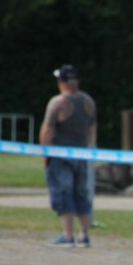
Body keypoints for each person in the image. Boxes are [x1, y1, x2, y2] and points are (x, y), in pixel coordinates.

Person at [40, 65, 97, 248]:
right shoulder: (88, 101)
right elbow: (91, 129)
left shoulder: (57, 102)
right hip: (81, 153)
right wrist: (85, 148)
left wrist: (45, 153)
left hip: (60, 155)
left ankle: (67, 234)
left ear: (61, 82)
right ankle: (84, 234)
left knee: (64, 192)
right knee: (81, 192)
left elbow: (47, 129)